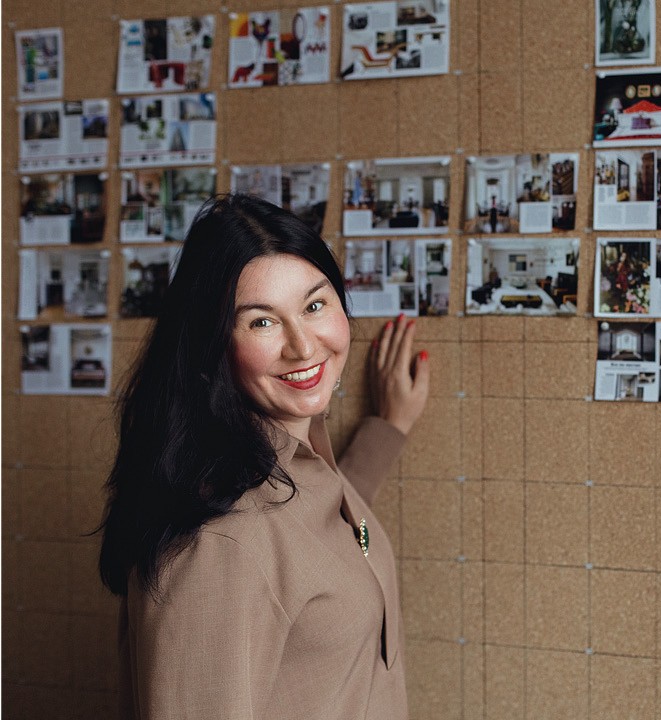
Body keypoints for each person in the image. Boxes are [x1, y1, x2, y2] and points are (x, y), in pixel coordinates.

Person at [97, 194, 429, 719]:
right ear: (212, 345)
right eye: (261, 322)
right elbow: (264, 547)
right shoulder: (217, 545)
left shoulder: (287, 460)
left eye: (314, 306)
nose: (303, 347)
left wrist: (388, 429)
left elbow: (310, 540)